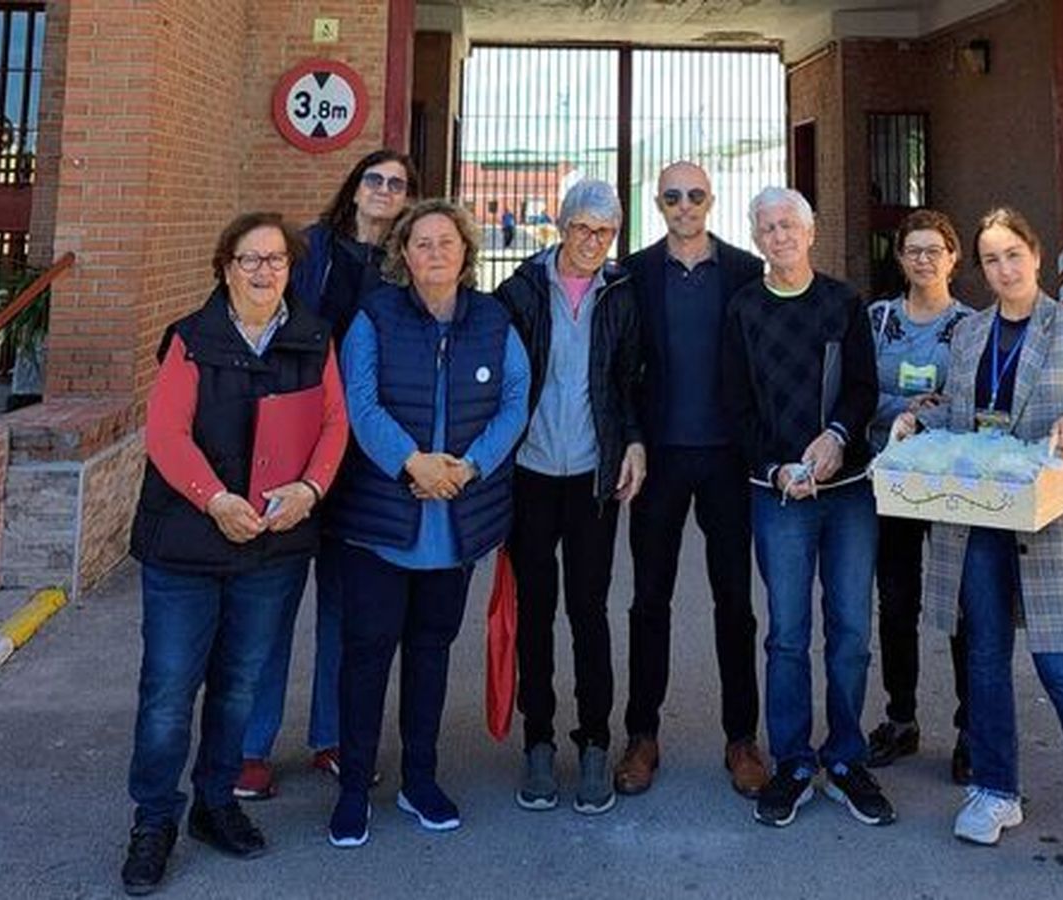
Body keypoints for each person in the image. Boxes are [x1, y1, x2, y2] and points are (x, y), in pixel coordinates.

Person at [892, 207, 1063, 883]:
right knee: (985, 658)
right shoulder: (970, 333)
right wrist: (918, 417)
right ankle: (996, 790)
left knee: (1062, 671)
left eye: (1013, 255)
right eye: (992, 259)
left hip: (1051, 520)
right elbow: (958, 408)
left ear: (1035, 255)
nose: (1004, 269)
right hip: (981, 515)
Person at [121, 212, 348, 894]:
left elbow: (334, 423)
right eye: (249, 259)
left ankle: (216, 804)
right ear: (225, 267)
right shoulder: (192, 338)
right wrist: (215, 498)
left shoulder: (313, 336)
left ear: (291, 268)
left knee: (240, 686)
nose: (263, 271)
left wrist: (311, 489)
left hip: (273, 545)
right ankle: (154, 820)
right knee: (167, 691)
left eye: (276, 260)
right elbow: (165, 433)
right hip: (188, 543)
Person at [324, 200, 529, 847]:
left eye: (447, 242)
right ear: (403, 255)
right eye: (421, 243)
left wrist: (467, 469)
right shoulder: (374, 317)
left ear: (466, 253)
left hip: (454, 523)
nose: (435, 253)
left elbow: (516, 402)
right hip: (384, 520)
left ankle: (420, 779)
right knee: (365, 657)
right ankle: (354, 787)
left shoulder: (495, 320)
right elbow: (359, 401)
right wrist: (411, 462)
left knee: (431, 655)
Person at [236, 150, 417, 800]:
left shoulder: (404, 268)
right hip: (291, 446)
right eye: (375, 179)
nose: (384, 191)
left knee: (348, 607)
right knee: (271, 603)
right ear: (355, 186)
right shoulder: (308, 250)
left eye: (397, 185)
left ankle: (336, 738)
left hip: (363, 457)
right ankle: (250, 746)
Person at [722, 187, 893, 829]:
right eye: (766, 227)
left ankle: (845, 756)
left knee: (850, 629)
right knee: (787, 635)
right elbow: (736, 406)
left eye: (788, 225)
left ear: (811, 232)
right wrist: (775, 467)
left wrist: (838, 438)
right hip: (779, 495)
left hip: (847, 494)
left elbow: (862, 387)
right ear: (757, 238)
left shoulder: (844, 303)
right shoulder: (743, 309)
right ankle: (792, 759)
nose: (779, 236)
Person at [614, 161, 769, 799]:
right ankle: (642, 734)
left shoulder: (744, 271)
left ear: (712, 200)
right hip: (659, 460)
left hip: (728, 460)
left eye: (695, 195)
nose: (685, 205)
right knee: (649, 601)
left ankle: (741, 738)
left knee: (735, 603)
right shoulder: (633, 273)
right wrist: (631, 438)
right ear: (658, 203)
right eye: (673, 196)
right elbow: (618, 367)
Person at [496, 179, 645, 816]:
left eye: (605, 232)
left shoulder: (621, 294)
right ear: (561, 226)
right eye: (583, 228)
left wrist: (634, 441)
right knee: (534, 608)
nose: (592, 242)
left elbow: (632, 379)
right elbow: (499, 380)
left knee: (588, 610)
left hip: (592, 475)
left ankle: (593, 740)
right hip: (529, 473)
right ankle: (537, 739)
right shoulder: (519, 292)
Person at [863, 210, 974, 782]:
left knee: (958, 603)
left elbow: (978, 399)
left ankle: (971, 729)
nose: (924, 260)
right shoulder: (878, 321)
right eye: (913, 250)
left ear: (954, 257)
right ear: (900, 258)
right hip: (893, 480)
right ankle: (900, 718)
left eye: (935, 250)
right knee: (897, 600)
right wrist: (903, 410)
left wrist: (937, 414)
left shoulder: (974, 327)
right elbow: (856, 391)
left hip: (954, 483)